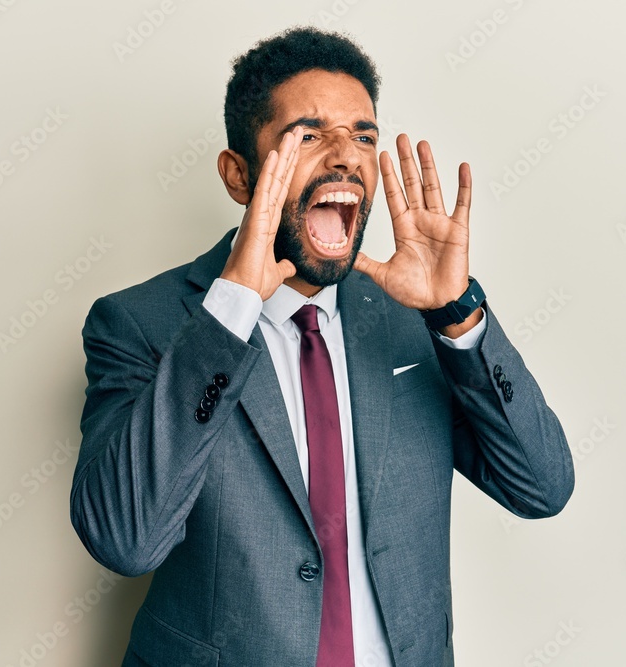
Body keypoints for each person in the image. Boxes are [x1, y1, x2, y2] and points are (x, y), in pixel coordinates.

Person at [70, 26, 574, 667]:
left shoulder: (411, 321)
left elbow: (540, 488)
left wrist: (456, 315)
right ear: (238, 175)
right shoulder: (139, 324)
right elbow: (125, 539)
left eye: (363, 136)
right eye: (308, 135)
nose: (345, 157)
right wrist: (228, 316)